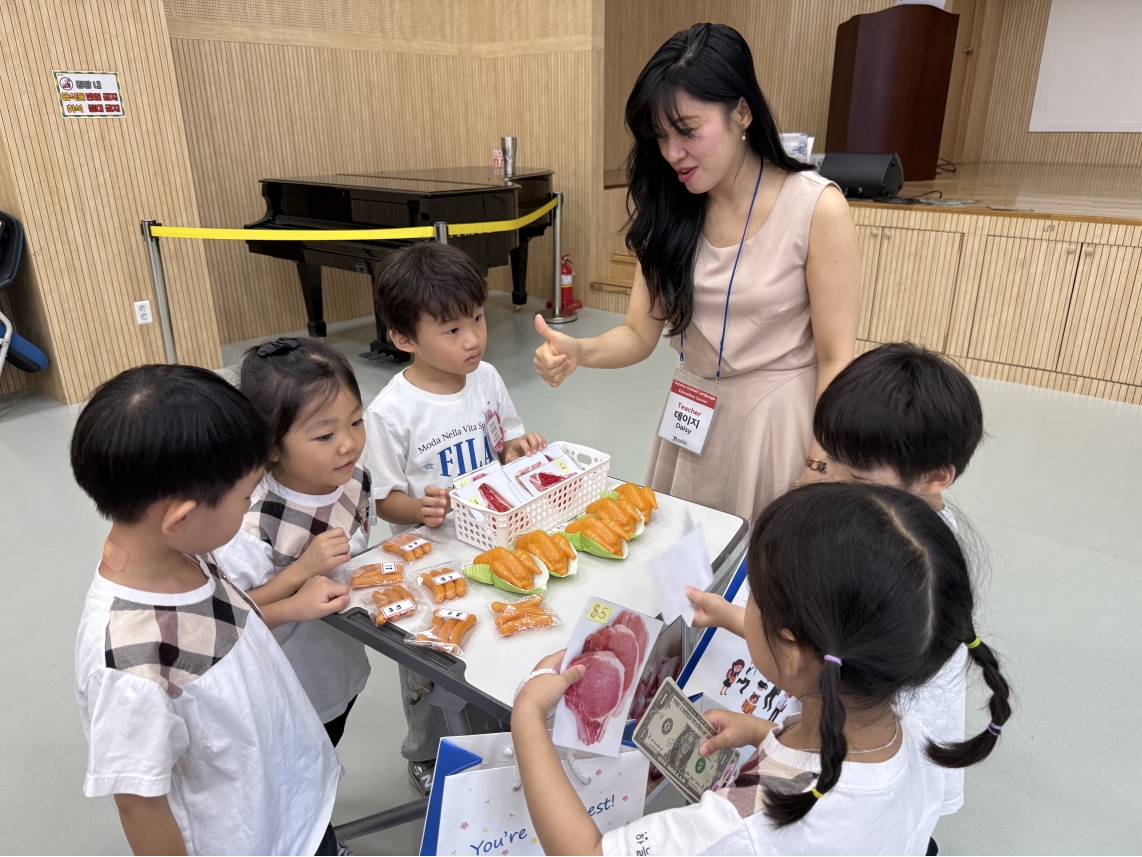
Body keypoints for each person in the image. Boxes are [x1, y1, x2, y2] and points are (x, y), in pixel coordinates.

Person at [511, 484, 1012, 855]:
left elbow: (585, 853)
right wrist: (764, 734)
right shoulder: (923, 743)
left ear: (792, 650)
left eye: (754, 599)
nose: (743, 608)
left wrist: (529, 716)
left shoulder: (748, 823)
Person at [533, 23, 860, 521]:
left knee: (761, 582)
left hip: (776, 427)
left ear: (742, 111)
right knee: (684, 570)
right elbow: (639, 334)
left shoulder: (817, 208)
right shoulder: (669, 208)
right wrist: (581, 351)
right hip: (690, 412)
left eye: (687, 130)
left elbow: (837, 357)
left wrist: (819, 462)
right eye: (660, 136)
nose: (672, 153)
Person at [691, 340, 986, 821]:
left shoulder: (894, 567)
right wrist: (729, 615)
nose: (836, 487)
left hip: (874, 774)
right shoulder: (907, 535)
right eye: (831, 464)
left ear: (936, 477)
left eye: (861, 480)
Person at [71, 365, 350, 856]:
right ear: (180, 517)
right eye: (245, 497)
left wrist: (288, 607)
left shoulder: (184, 552)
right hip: (245, 838)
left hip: (289, 801)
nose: (250, 506)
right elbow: (140, 804)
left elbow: (219, 631)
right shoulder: (130, 665)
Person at [364, 241, 546, 793]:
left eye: (477, 319)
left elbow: (505, 439)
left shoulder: (486, 377)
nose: (472, 338)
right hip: (429, 563)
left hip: (489, 544)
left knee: (488, 647)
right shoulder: (392, 412)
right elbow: (382, 500)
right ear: (403, 339)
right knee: (429, 665)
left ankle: (492, 732)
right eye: (451, 330)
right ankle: (424, 750)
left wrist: (519, 448)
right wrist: (417, 508)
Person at [214, 337, 372, 747]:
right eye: (324, 435)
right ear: (271, 447)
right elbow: (228, 619)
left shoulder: (352, 478)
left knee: (327, 751)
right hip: (281, 688)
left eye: (356, 421)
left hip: (337, 667)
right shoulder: (251, 520)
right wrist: (302, 572)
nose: (348, 443)